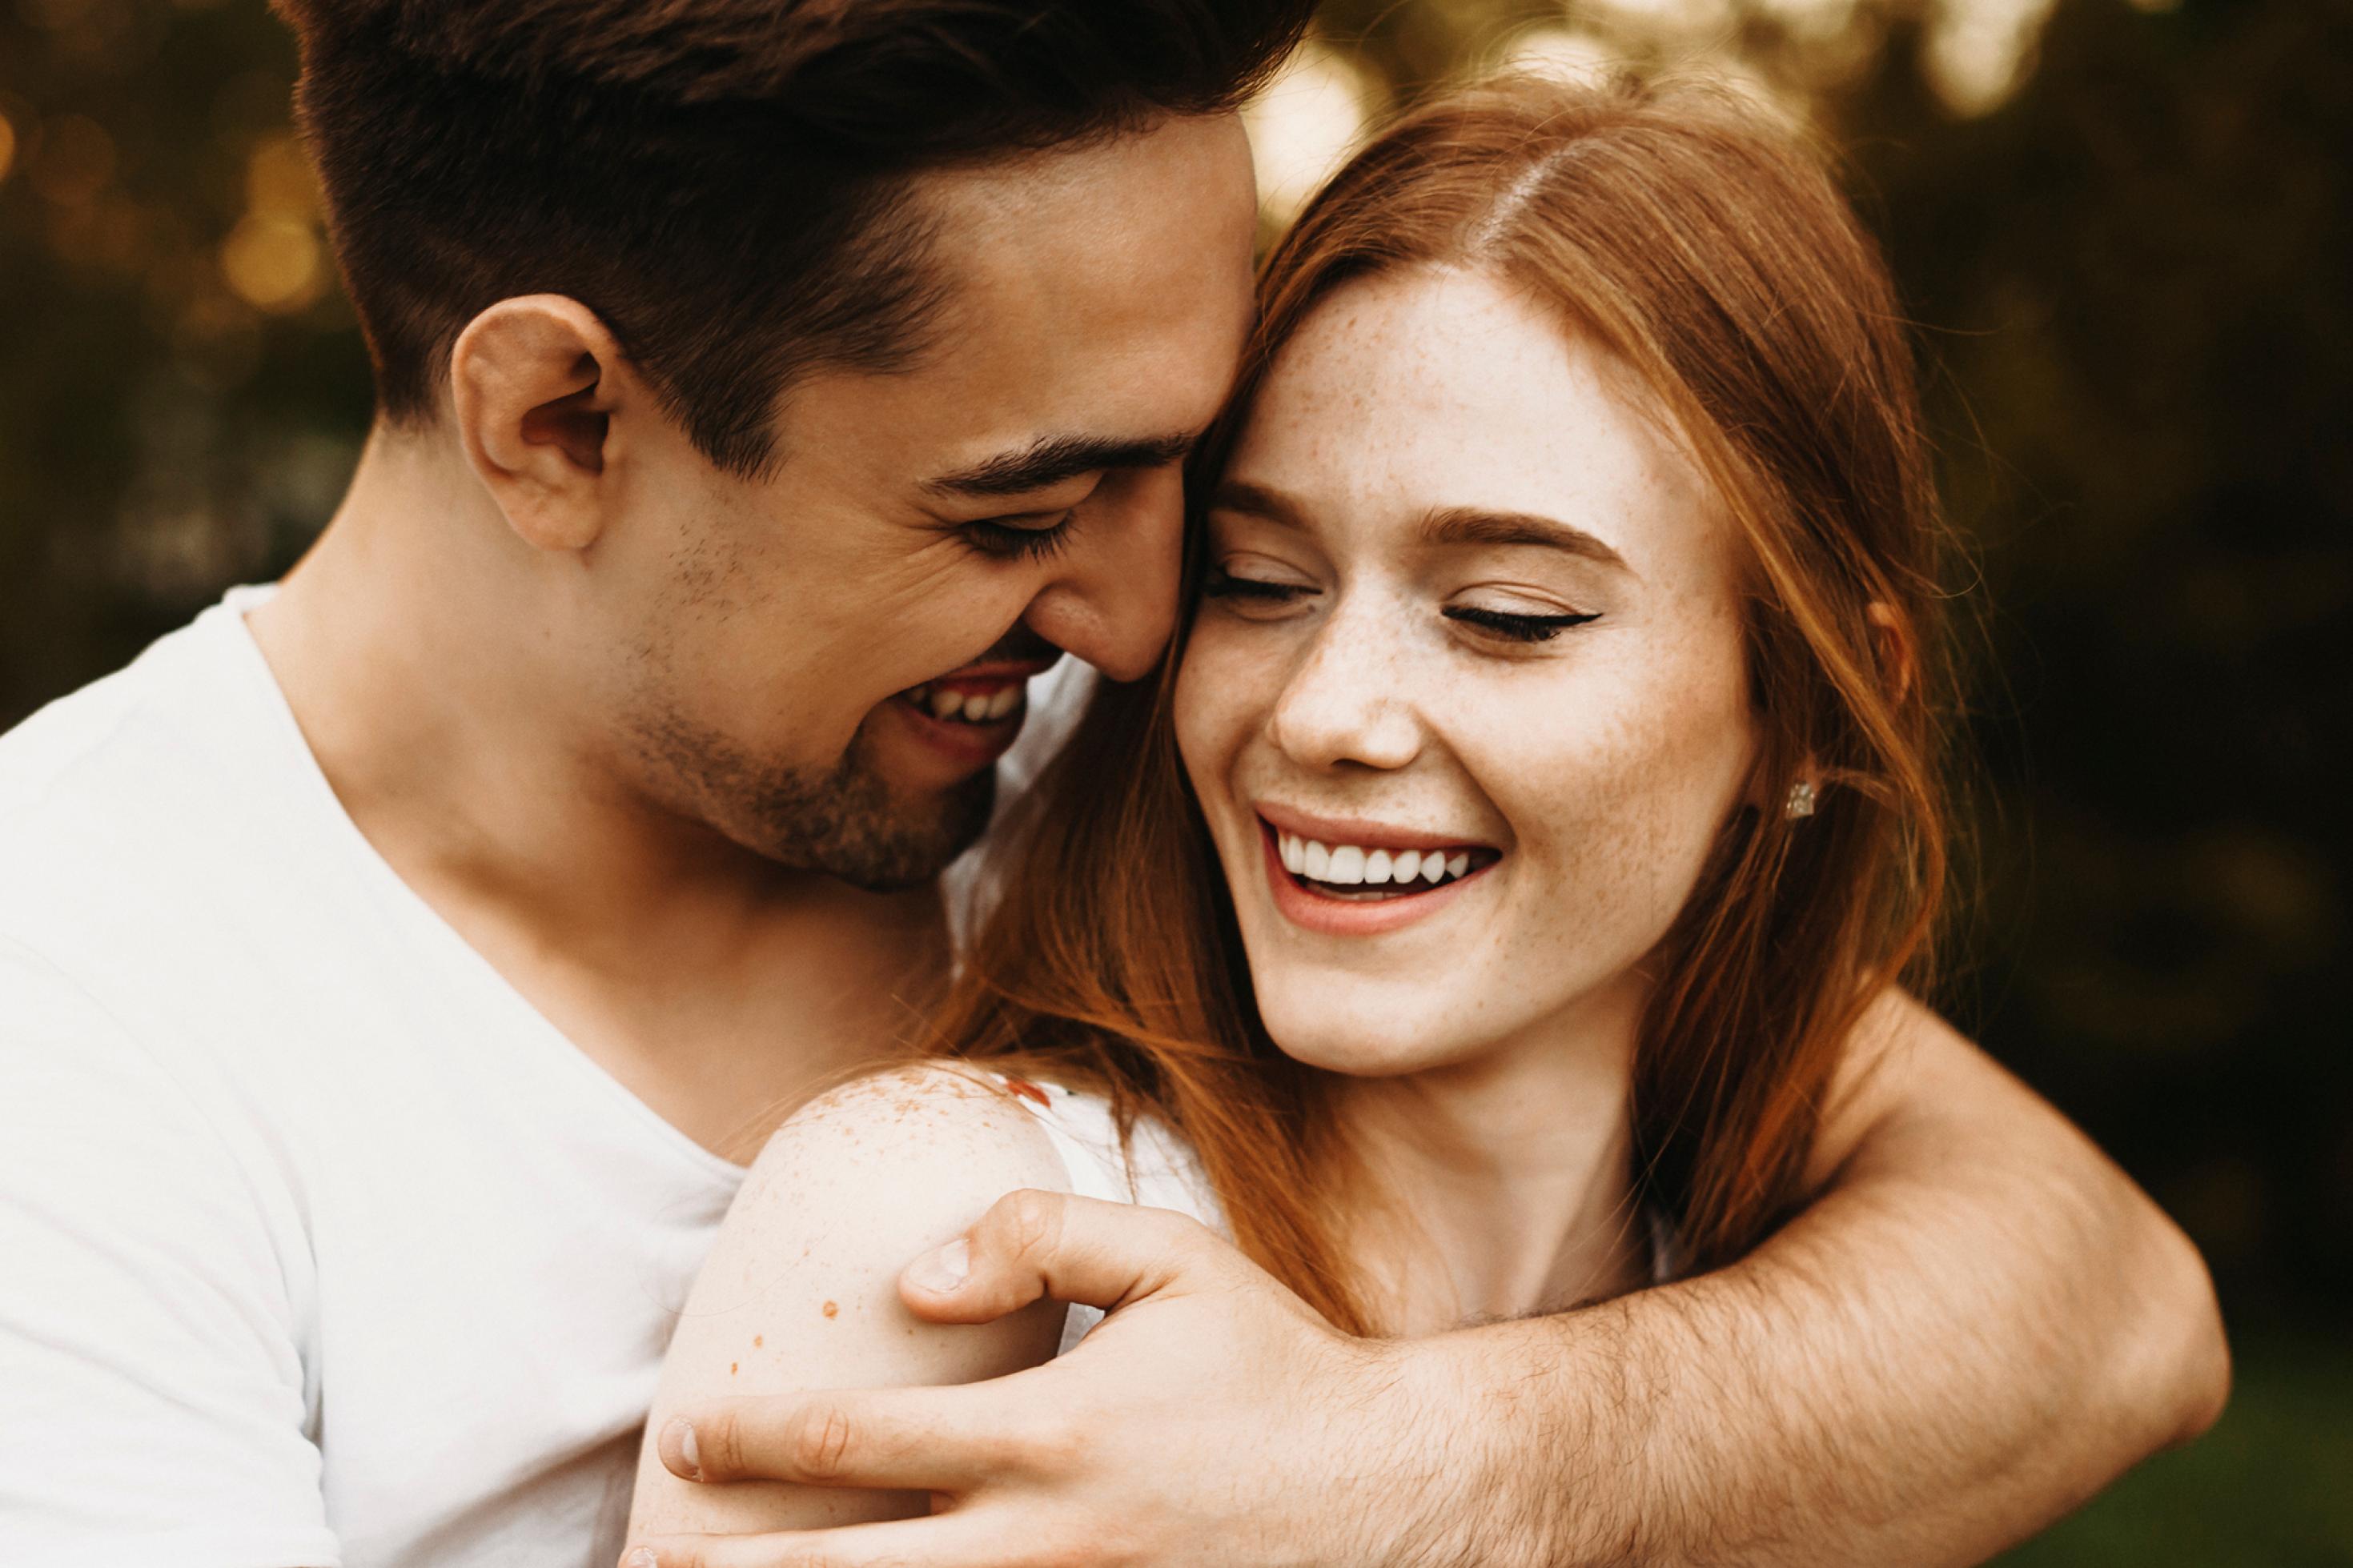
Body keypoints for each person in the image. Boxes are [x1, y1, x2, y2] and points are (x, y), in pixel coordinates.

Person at [0, 3, 2220, 1566]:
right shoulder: (77, 1019)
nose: (1162, 632)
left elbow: (2091, 1296)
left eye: (1195, 488)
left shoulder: (1140, 762)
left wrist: (1417, 1475)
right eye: (1017, 507)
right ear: (564, 423)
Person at [625, 74, 2229, 1568]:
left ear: (1804, 707)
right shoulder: (949, 1225)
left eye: (1510, 614)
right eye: (1257, 583)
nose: (1325, 710)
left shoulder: (1802, 1327)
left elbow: (2147, 1307)